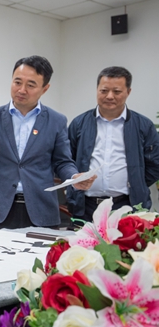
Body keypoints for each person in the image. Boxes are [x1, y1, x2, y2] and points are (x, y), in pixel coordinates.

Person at [0, 55, 94, 230]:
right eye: (17, 82)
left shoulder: (56, 120)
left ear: (45, 88)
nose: (22, 90)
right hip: (1, 210)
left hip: (42, 209)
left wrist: (73, 177)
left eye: (30, 85)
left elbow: (62, 162)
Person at [66, 66, 159, 223]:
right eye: (104, 91)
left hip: (127, 206)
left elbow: (155, 165)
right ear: (97, 90)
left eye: (116, 91)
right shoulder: (79, 123)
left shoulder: (143, 126)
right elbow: (67, 160)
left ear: (128, 92)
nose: (109, 96)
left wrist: (136, 182)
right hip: (85, 207)